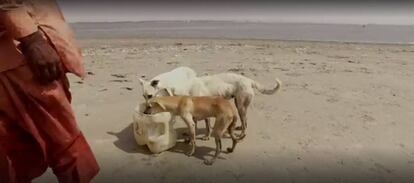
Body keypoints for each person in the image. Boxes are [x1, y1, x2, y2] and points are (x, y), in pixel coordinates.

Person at [0, 0, 99, 182]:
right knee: (65, 144)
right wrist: (31, 39)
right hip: (20, 58)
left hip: (13, 57)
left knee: (11, 148)